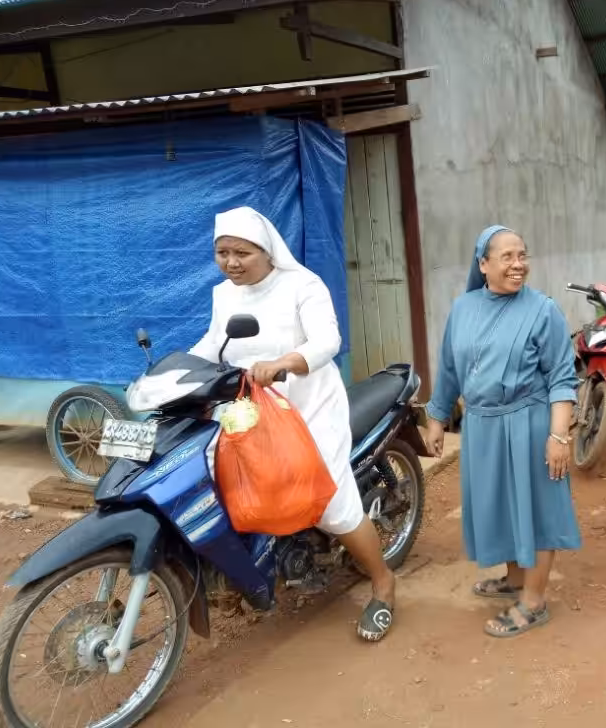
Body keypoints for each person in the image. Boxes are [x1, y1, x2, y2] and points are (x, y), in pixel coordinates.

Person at [189, 206, 396, 642]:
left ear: (266, 251)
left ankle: (383, 583)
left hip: (309, 408)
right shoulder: (223, 294)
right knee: (217, 475)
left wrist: (284, 362)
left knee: (328, 502)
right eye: (222, 252)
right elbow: (213, 343)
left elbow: (327, 340)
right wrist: (177, 373)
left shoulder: (302, 285)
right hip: (250, 409)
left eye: (241, 253)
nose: (231, 262)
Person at [424, 226, 581, 638]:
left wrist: (559, 436)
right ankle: (514, 579)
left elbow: (563, 378)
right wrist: (437, 417)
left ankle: (533, 600)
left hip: (529, 424)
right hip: (481, 426)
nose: (518, 265)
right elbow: (449, 368)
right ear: (484, 264)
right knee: (501, 505)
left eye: (522, 256)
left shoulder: (542, 310)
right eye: (508, 257)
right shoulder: (464, 308)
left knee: (538, 507)